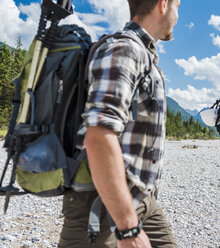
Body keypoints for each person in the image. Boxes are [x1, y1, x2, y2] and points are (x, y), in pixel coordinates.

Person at [58, 0, 180, 247]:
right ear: (164, 4)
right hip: (100, 206)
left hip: (141, 198)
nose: (178, 15)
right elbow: (99, 136)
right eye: (178, 5)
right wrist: (129, 229)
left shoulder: (145, 56)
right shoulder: (125, 49)